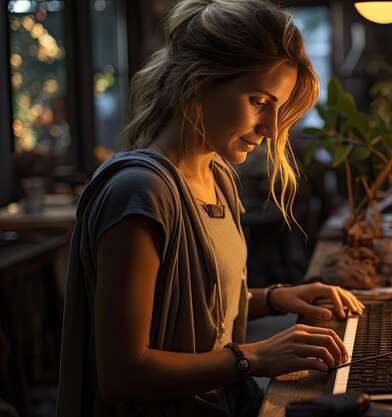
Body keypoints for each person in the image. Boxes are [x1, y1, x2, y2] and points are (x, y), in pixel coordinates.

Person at [56, 1, 364, 416]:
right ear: (199, 81)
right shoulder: (141, 191)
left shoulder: (217, 175)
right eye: (259, 100)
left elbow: (195, 310)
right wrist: (254, 357)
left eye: (278, 108)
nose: (272, 129)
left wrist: (277, 298)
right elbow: (122, 374)